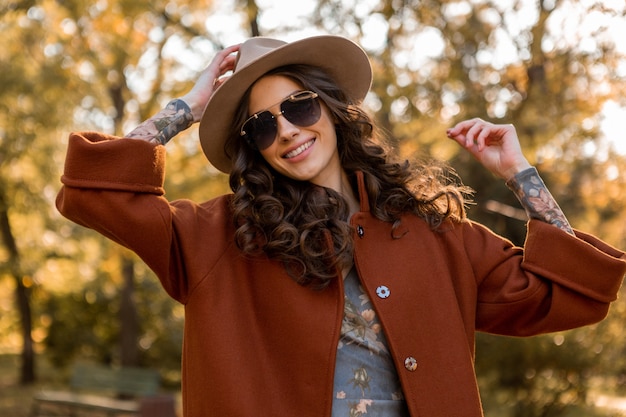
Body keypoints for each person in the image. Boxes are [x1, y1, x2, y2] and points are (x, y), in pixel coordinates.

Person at [56, 35, 626, 417]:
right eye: (259, 126)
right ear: (252, 148)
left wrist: (521, 176)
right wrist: (187, 107)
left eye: (299, 107)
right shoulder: (219, 236)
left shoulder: (434, 230)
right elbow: (94, 192)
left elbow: (570, 295)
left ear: (331, 108)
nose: (285, 131)